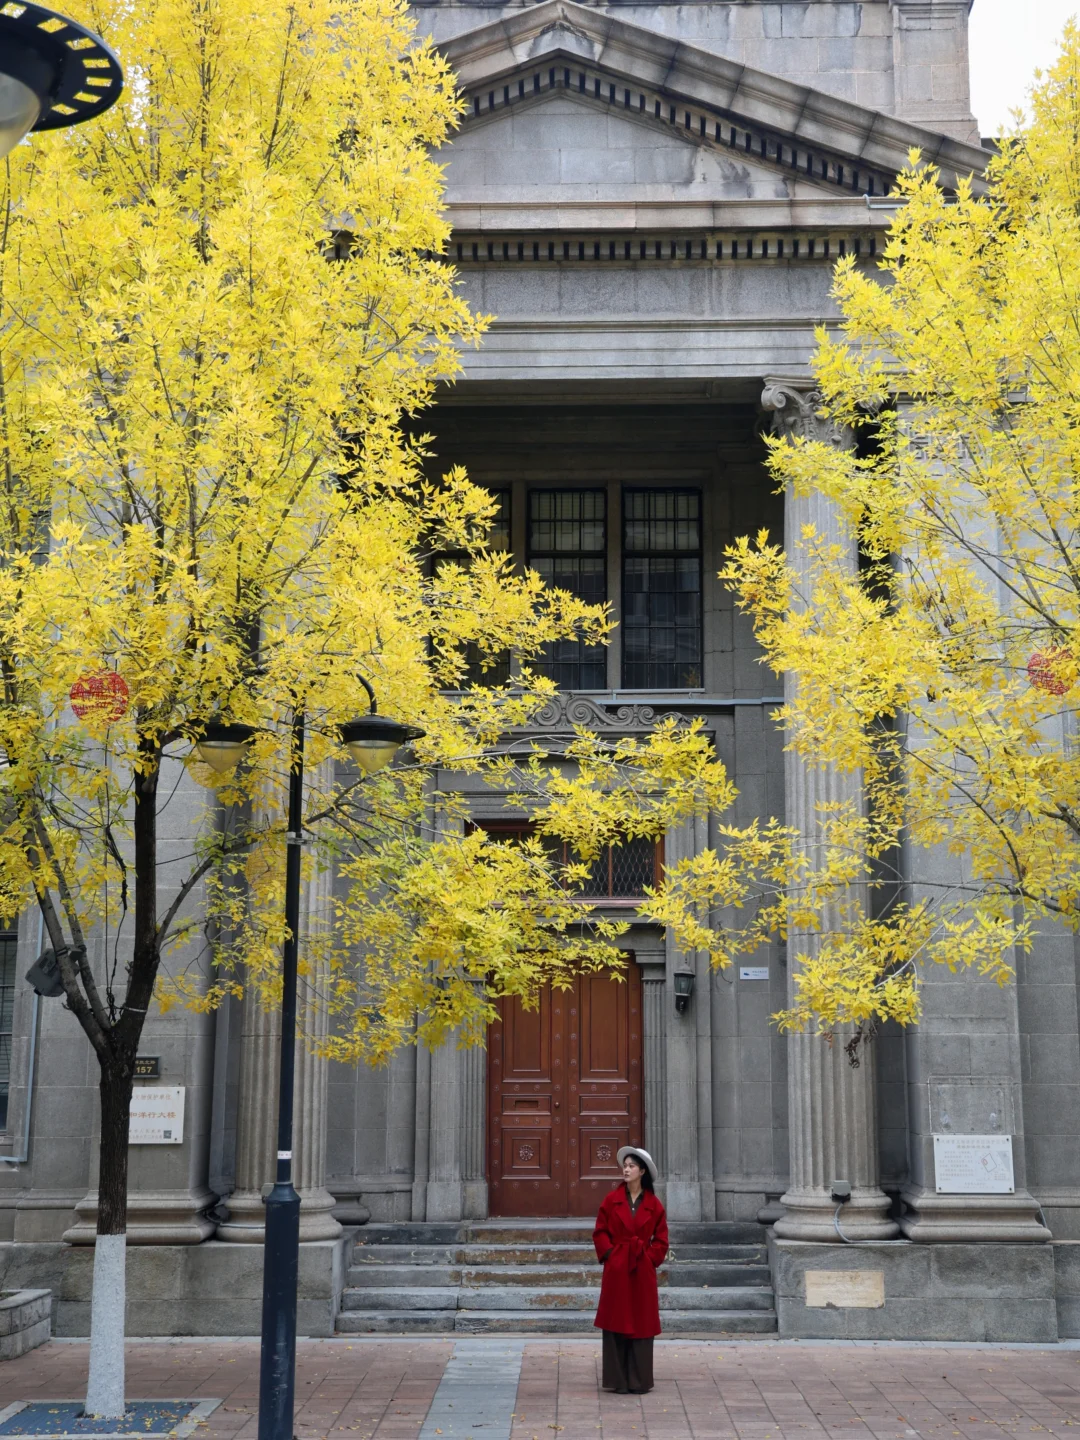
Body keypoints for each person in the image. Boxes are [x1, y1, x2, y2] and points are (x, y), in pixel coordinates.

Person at [592, 1145, 668, 1395]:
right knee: (616, 1319)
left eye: (631, 1166)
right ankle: (618, 1380)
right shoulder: (610, 1201)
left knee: (642, 1321)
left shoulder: (654, 1205)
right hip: (617, 1269)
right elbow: (600, 1231)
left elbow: (661, 1240)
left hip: (641, 1269)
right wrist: (611, 1255)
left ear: (642, 1171)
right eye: (624, 1165)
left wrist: (649, 1258)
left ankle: (639, 1380)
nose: (626, 1169)